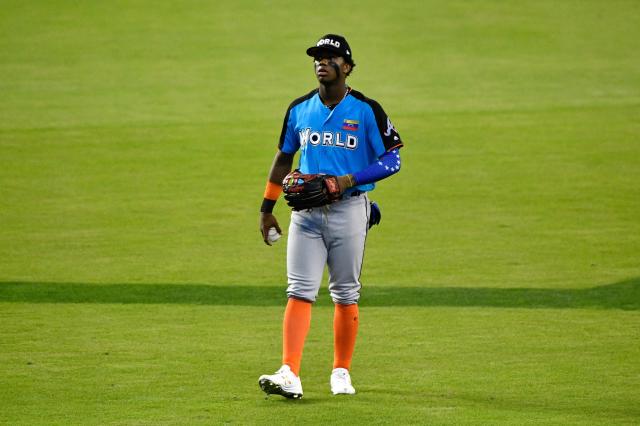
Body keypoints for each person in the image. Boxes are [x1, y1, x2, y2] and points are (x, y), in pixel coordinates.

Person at [258, 34, 404, 399]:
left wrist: (348, 180)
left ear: (347, 67)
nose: (322, 62)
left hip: (351, 211)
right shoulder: (299, 109)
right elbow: (283, 158)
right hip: (305, 214)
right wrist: (266, 208)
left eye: (331, 57)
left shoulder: (367, 110)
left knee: (345, 294)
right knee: (299, 291)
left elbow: (393, 159)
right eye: (318, 58)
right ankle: (289, 371)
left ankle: (341, 371)